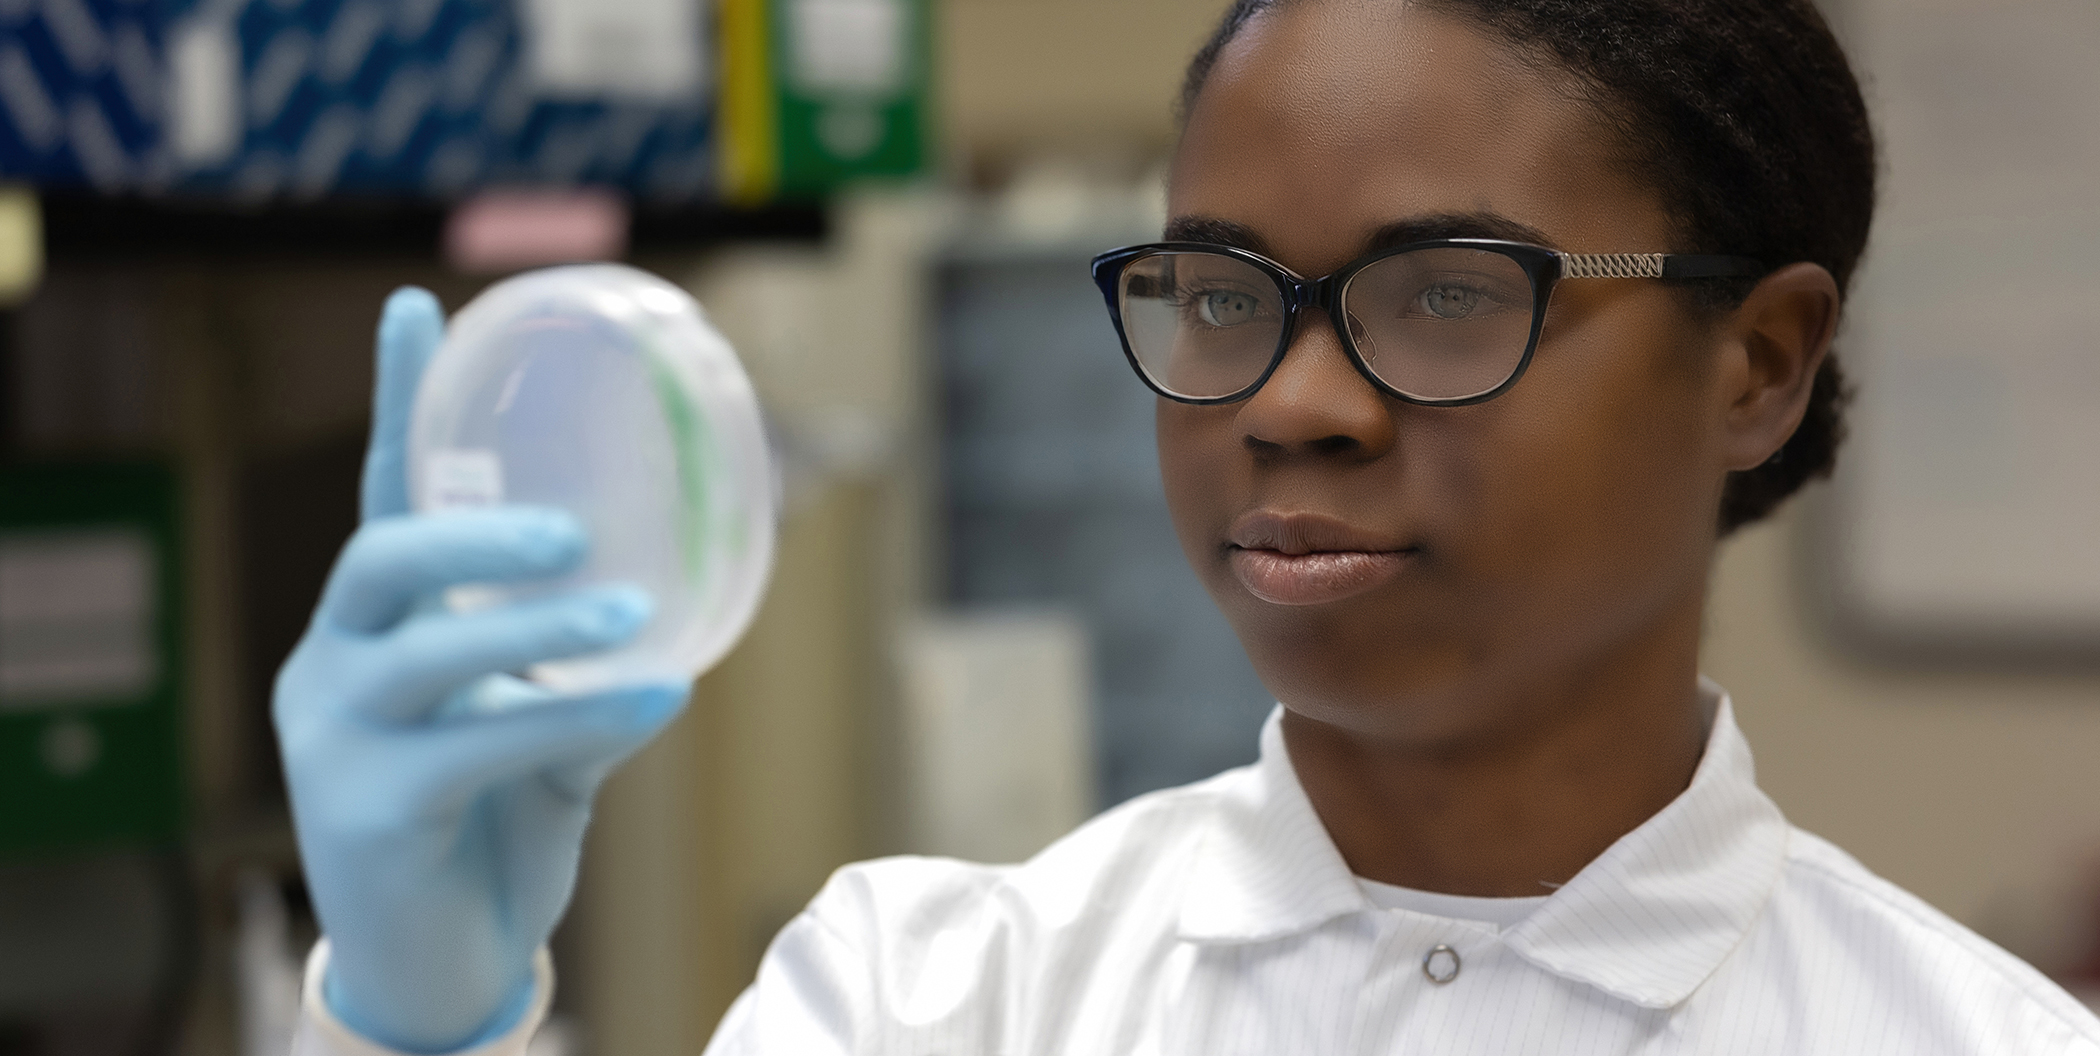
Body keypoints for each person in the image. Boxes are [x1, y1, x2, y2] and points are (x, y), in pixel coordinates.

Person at [276, 0, 2100, 1053]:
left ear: (1756, 363)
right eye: (1221, 297)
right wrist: (421, 1019)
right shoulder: (932, 1005)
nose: (1291, 400)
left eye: (1449, 292)